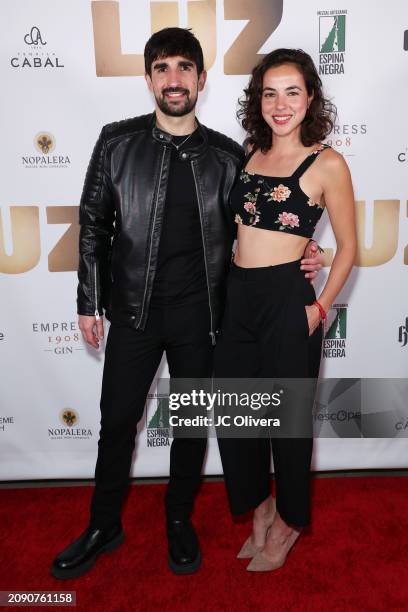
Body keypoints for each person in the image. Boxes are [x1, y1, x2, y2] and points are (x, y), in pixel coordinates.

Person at [51, 31, 323, 579]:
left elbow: (262, 222)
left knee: (191, 427)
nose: (173, 79)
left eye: (184, 68)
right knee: (116, 424)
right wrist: (89, 300)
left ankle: (179, 519)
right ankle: (104, 524)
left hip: (204, 319)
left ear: (201, 79)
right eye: (162, 68)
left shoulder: (227, 155)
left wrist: (314, 249)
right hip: (132, 312)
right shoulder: (115, 143)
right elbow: (93, 227)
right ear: (149, 79)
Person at [215, 48, 357, 572]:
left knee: (289, 424)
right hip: (239, 296)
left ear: (310, 97)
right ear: (259, 99)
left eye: (292, 91)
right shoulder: (249, 151)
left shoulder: (328, 163)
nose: (281, 104)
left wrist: (320, 308)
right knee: (236, 416)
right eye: (270, 92)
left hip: (287, 301)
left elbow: (349, 248)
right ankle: (260, 508)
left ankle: (290, 522)